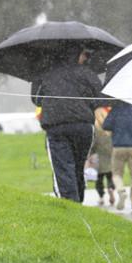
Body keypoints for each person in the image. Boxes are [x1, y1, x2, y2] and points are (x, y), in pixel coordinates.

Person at [31, 47, 104, 202]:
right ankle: (78, 199)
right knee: (78, 166)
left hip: (56, 126)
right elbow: (99, 96)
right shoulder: (87, 73)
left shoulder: (46, 73)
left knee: (63, 168)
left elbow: (36, 99)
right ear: (78, 55)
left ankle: (70, 204)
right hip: (84, 126)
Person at [101, 101, 132, 211]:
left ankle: (121, 190)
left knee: (117, 174)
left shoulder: (116, 110)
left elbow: (105, 125)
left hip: (118, 146)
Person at [90, 105, 116, 207]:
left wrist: (91, 153)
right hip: (110, 155)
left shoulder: (95, 129)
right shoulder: (110, 127)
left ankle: (101, 196)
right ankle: (111, 188)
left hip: (99, 157)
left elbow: (93, 144)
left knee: (99, 179)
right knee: (110, 176)